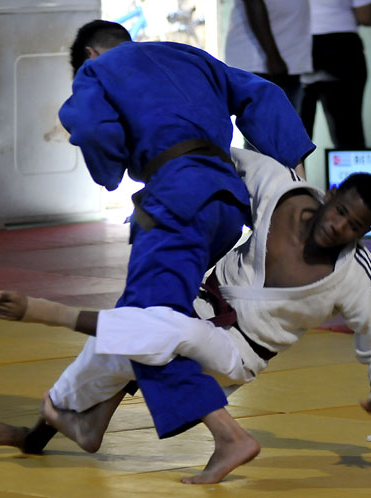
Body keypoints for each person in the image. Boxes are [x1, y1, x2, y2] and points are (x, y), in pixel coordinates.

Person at [0, 148, 371, 483]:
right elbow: (220, 153)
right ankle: (47, 436)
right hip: (196, 306)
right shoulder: (282, 189)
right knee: (113, 347)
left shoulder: (356, 274)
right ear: (330, 195)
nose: (340, 227)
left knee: (162, 332)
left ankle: (51, 313)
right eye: (340, 212)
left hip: (238, 351)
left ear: (365, 232)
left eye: (355, 226)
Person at [55, 18, 315, 476]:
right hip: (227, 203)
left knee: (146, 323)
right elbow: (265, 95)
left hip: (177, 197)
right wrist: (293, 172)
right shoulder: (189, 55)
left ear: (91, 55)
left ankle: (229, 436)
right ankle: (89, 419)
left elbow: (93, 129)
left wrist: (110, 171)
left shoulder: (98, 70)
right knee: (147, 313)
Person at [299, 0, 371, 149]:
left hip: (295, 45)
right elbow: (367, 16)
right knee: (348, 133)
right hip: (341, 45)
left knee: (293, 138)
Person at [224, 0, 312, 110]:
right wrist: (273, 57)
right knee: (269, 119)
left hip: (287, 61)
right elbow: (253, 3)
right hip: (262, 64)